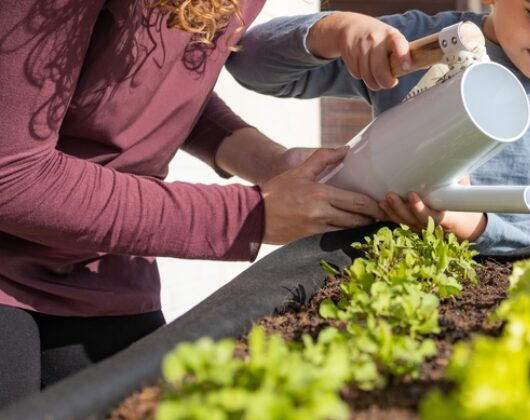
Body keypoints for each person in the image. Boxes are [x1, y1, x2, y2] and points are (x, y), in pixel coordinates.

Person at [0, 0, 385, 407]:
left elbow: (149, 83)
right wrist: (249, 216)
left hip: (103, 267)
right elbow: (13, 174)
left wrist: (271, 162)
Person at [226, 0, 530, 253]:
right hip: (386, 281)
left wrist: (478, 228)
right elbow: (247, 65)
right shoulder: (423, 43)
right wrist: (333, 31)